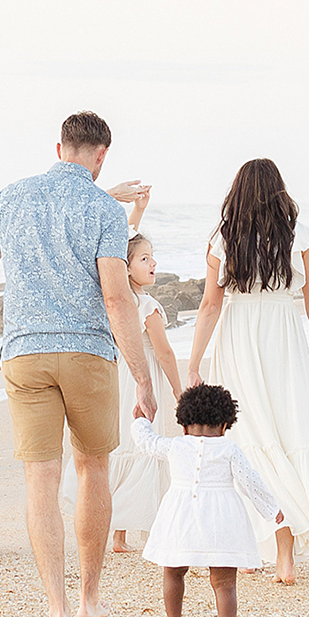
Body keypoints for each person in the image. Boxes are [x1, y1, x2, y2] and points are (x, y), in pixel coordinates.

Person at [0, 112, 158, 617]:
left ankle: (57, 611)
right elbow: (117, 298)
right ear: (101, 156)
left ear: (59, 147)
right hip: (88, 353)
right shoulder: (103, 208)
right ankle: (90, 597)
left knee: (40, 479)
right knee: (93, 469)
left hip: (25, 354)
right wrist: (142, 376)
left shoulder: (11, 197)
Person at [184, 158, 309, 582]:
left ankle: (263, 540)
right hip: (283, 336)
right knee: (289, 431)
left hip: (238, 336)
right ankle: (284, 550)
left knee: (250, 437)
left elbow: (210, 306)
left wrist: (194, 363)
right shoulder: (300, 237)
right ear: (279, 192)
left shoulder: (223, 239)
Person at [132, 383, 284, 617]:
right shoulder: (230, 449)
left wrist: (140, 421)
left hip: (180, 516)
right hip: (221, 519)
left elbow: (147, 443)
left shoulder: (175, 446)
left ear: (183, 426)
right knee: (224, 581)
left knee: (174, 571)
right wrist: (271, 509)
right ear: (225, 426)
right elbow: (250, 481)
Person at [103, 233, 185, 554]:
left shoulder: (121, 305)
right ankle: (150, 532)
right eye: (144, 259)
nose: (153, 263)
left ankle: (119, 536)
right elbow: (164, 353)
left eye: (153, 257)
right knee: (146, 446)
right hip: (144, 379)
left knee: (125, 443)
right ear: (126, 267)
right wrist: (180, 391)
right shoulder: (149, 307)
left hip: (121, 380)